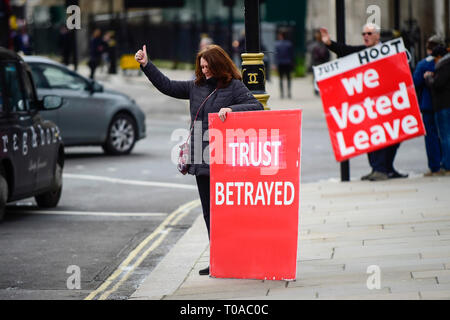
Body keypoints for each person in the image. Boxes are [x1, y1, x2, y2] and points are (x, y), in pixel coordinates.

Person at [135, 44, 263, 276]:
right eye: (202, 67)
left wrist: (232, 109)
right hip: (202, 159)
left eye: (208, 67)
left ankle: (236, 257)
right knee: (209, 212)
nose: (204, 71)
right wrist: (146, 65)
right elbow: (167, 85)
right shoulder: (196, 87)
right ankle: (218, 259)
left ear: (218, 65)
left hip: (225, 161)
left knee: (228, 212)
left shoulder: (234, 86)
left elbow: (257, 107)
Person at [320, 23, 408, 182]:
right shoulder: (363, 52)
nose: (365, 36)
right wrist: (329, 43)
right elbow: (345, 50)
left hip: (390, 102)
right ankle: (378, 169)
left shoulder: (389, 51)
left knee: (395, 136)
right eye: (363, 34)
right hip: (370, 105)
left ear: (377, 36)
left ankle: (386, 168)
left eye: (369, 33)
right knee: (372, 136)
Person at [413, 35, 445, 176]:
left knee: (431, 136)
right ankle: (446, 163)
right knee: (445, 135)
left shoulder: (423, 64)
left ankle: (434, 166)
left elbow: (415, 82)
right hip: (444, 103)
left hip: (428, 104)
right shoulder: (445, 62)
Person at [425, 45, 450, 176]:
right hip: (445, 105)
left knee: (445, 136)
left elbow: (438, 84)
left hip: (443, 105)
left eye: (435, 58)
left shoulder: (444, 65)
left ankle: (447, 165)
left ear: (439, 57)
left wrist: (429, 78)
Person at [308, 29, 330, 95]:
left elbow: (327, 55)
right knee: (316, 79)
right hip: (316, 64)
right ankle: (316, 90)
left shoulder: (324, 44)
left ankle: (322, 90)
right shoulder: (313, 45)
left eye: (319, 34)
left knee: (323, 79)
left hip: (323, 63)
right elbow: (312, 56)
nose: (317, 36)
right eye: (317, 34)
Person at [275, 30, 294, 99]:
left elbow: (276, 56)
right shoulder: (289, 44)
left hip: (280, 63)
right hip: (288, 63)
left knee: (281, 78)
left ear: (281, 36)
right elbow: (292, 55)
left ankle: (282, 93)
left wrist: (275, 64)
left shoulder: (277, 44)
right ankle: (289, 92)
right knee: (288, 78)